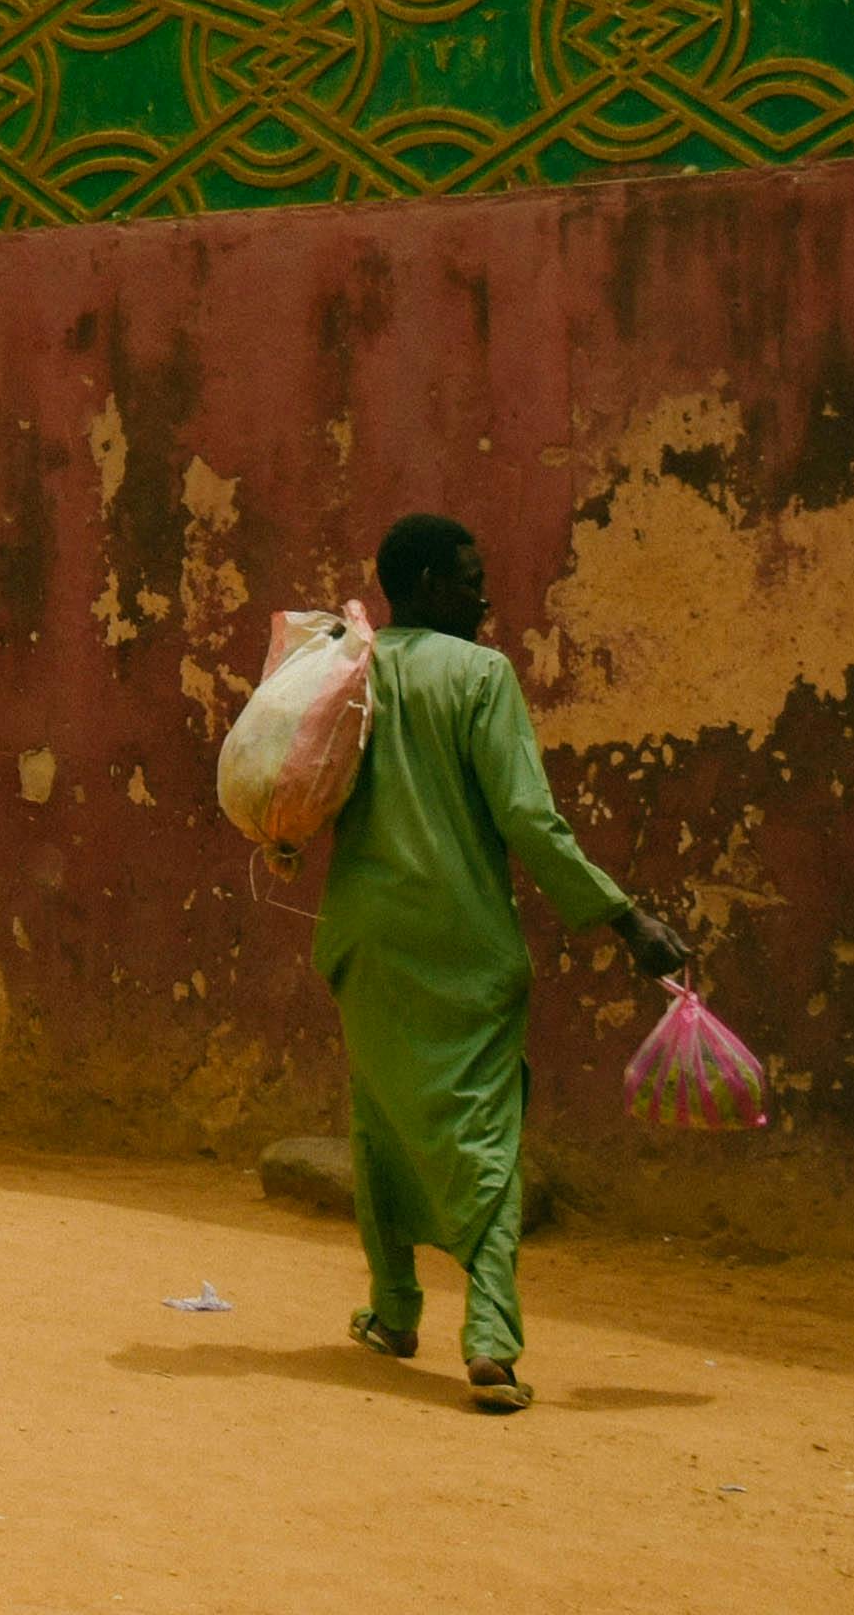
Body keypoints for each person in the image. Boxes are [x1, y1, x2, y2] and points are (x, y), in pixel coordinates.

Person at [318, 511, 690, 1413]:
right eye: (470, 577)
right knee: (483, 1135)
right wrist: (622, 915)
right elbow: (527, 817)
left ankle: (395, 1307)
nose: (486, 595)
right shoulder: (481, 677)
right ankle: (488, 1338)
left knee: (382, 1116)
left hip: (364, 936)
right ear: (428, 586)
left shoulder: (351, 671)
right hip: (464, 941)